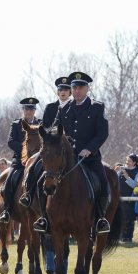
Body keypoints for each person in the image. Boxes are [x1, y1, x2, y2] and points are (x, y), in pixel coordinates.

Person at [36, 72, 110, 234]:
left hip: (89, 158)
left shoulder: (97, 107)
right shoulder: (65, 108)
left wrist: (89, 149)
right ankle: (44, 219)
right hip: (66, 159)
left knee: (104, 184)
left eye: (80, 87)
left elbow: (102, 133)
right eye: (74, 87)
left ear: (87, 89)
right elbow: (55, 128)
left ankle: (100, 219)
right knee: (41, 182)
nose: (77, 91)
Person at [19, 77, 70, 210]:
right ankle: (29, 196)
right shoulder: (51, 107)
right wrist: (54, 136)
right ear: (57, 92)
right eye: (60, 90)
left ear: (70, 92)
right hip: (51, 148)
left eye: (66, 89)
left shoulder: (74, 106)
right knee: (34, 167)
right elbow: (46, 127)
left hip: (71, 148)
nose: (63, 92)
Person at [0, 97, 40, 224]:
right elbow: (11, 141)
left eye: (31, 109)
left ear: (34, 110)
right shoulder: (16, 124)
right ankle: (7, 211)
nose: (29, 111)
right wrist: (24, 152)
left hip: (36, 160)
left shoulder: (41, 123)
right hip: (20, 161)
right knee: (9, 182)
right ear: (23, 110)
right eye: (26, 109)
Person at [119, 154, 138, 242]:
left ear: (134, 163)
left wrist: (127, 176)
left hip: (130, 199)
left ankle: (128, 237)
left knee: (129, 218)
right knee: (121, 218)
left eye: (129, 161)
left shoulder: (137, 172)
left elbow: (135, 185)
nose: (127, 162)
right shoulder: (121, 170)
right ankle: (121, 236)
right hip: (120, 198)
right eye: (127, 160)